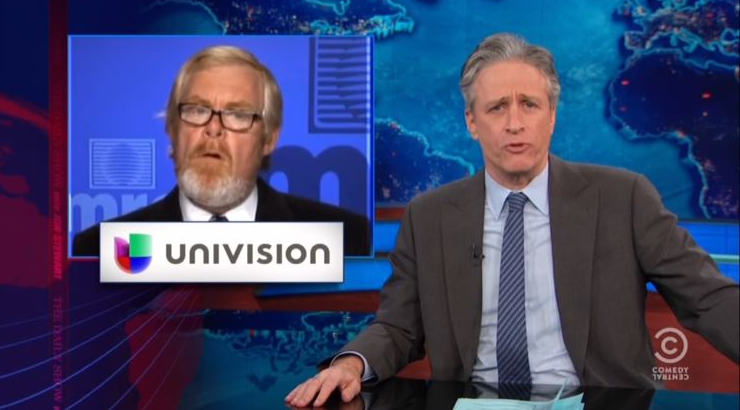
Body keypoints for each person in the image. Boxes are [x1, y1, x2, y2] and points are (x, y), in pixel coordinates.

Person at [286, 33, 739, 407]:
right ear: (472, 122)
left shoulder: (624, 198)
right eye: (497, 107)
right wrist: (351, 364)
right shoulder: (429, 218)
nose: (515, 123)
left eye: (530, 105)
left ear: (552, 116)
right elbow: (399, 327)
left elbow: (708, 298)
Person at [73, 45, 370, 257]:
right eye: (197, 110)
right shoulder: (100, 249)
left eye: (238, 114)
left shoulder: (345, 240)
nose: (213, 128)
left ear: (269, 139)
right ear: (172, 128)